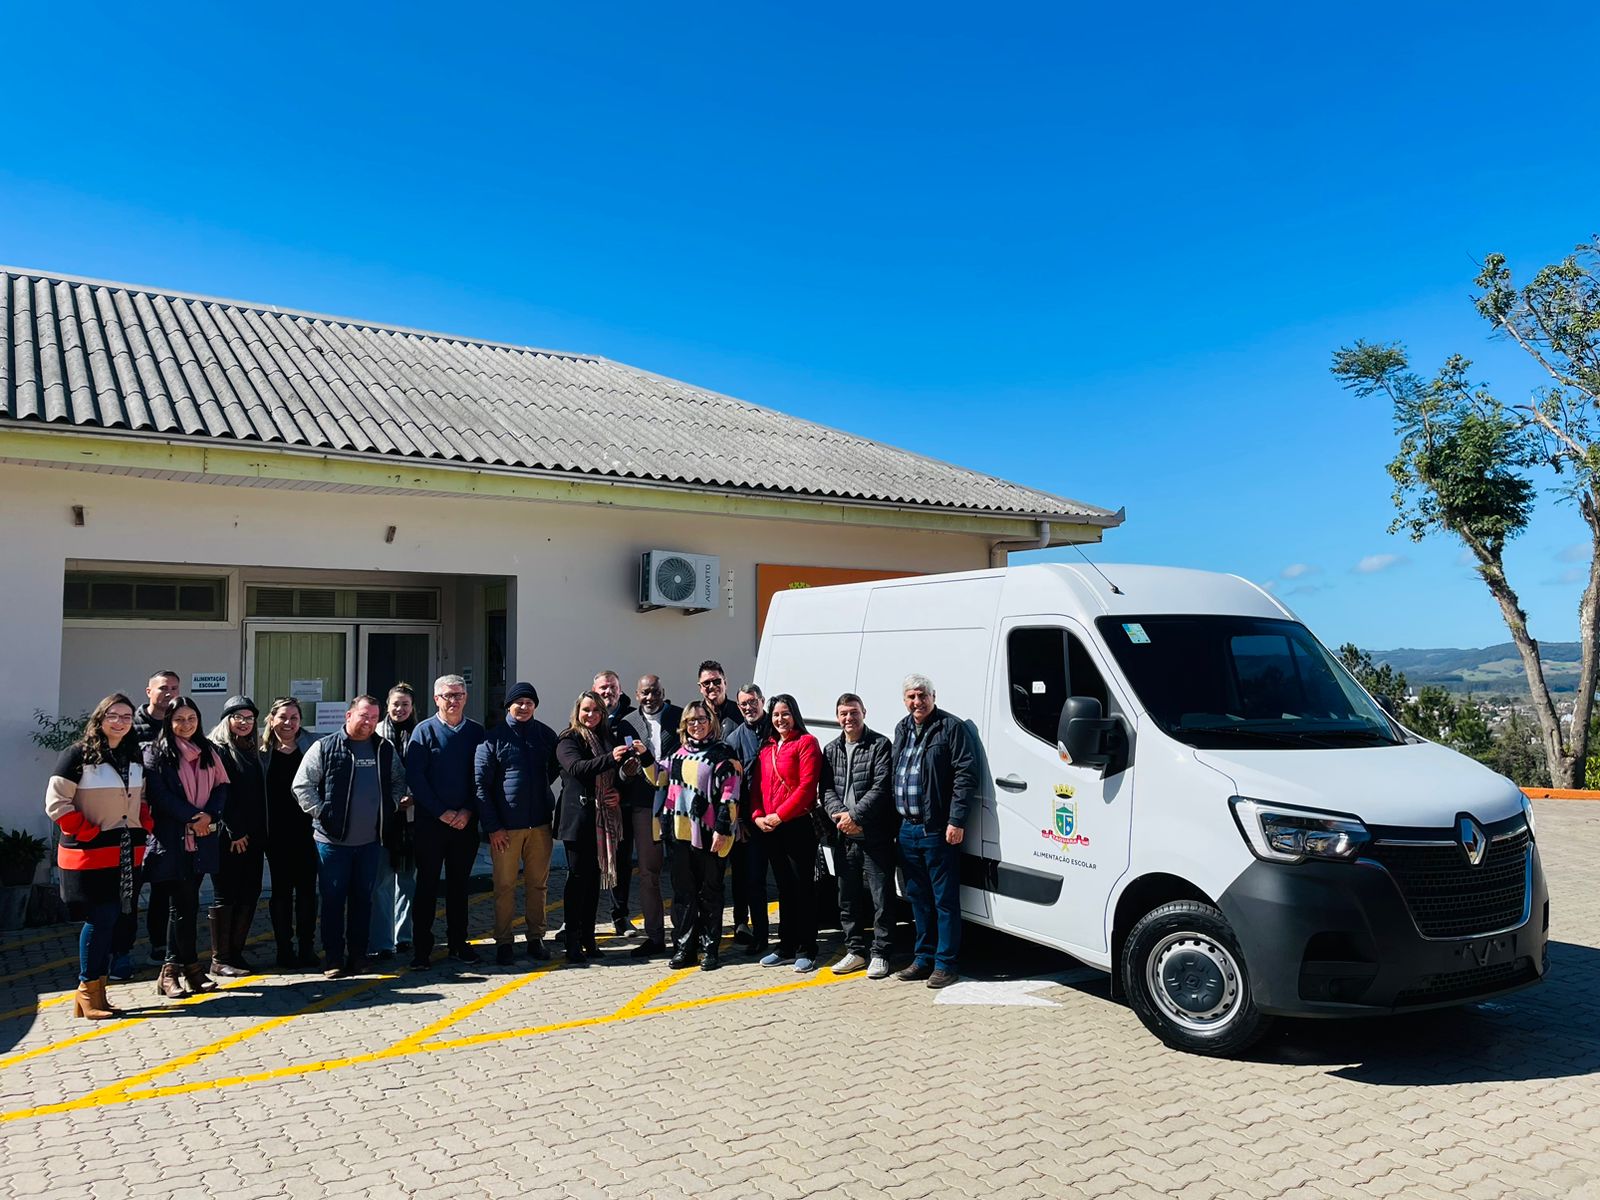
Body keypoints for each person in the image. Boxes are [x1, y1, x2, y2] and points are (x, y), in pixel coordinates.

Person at [44, 693, 152, 1020]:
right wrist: (86, 830)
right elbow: (56, 803)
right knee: (101, 918)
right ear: (100, 718)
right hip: (88, 852)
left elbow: (142, 797)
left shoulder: (133, 755)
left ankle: (96, 994)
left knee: (116, 919)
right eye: (113, 715)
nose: (120, 722)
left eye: (126, 717)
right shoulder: (76, 755)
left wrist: (145, 820)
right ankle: (86, 988)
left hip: (125, 851)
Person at [293, 695, 406, 979]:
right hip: (332, 844)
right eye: (363, 716)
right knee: (332, 901)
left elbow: (398, 781)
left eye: (373, 718)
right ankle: (333, 957)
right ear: (349, 716)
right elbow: (302, 785)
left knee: (362, 900)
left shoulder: (383, 749)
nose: (368, 723)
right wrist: (321, 813)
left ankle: (358, 956)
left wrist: (389, 806)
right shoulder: (325, 747)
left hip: (370, 843)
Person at [891, 674, 978, 989]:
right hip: (907, 829)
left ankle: (945, 963)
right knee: (918, 898)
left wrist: (956, 820)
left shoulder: (950, 728)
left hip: (936, 830)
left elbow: (965, 774)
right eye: (911, 696)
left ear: (933, 696)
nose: (917, 702)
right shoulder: (902, 728)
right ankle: (923, 957)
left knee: (944, 900)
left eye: (922, 695)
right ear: (904, 700)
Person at [143, 697, 229, 998]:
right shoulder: (156, 752)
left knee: (188, 905)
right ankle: (180, 970)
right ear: (169, 721)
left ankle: (182, 970)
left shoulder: (209, 750)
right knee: (181, 905)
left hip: (203, 838)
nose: (186, 724)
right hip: (173, 839)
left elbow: (221, 787)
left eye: (191, 718)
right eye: (179, 719)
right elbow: (159, 796)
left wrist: (210, 816)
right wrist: (193, 818)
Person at [555, 691, 648, 965]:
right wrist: (612, 758)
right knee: (578, 880)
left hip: (604, 817)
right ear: (577, 712)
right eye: (586, 710)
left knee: (595, 882)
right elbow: (577, 768)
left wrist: (622, 784)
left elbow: (616, 777)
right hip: (579, 820)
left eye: (596, 711)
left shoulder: (609, 735)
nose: (591, 715)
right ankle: (572, 941)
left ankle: (589, 939)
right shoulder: (568, 738)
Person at [404, 674, 487, 970]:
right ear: (436, 699)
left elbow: (482, 777)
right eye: (448, 695)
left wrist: (466, 811)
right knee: (426, 887)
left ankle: (458, 944)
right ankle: (422, 950)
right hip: (431, 825)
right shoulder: (423, 732)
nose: (454, 700)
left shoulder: (477, 732)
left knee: (458, 887)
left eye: (459, 695)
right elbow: (416, 778)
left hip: (465, 825)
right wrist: (442, 812)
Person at [475, 682, 559, 965]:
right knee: (505, 887)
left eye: (529, 702)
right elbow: (481, 786)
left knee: (538, 886)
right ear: (508, 705)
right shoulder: (493, 738)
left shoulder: (546, 735)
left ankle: (536, 938)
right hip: (505, 830)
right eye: (518, 702)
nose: (524, 707)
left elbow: (554, 769)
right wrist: (493, 827)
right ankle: (504, 942)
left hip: (540, 825)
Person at [821, 693, 896, 979]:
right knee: (847, 896)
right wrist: (840, 816)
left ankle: (881, 953)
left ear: (864, 712)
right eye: (843, 713)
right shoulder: (831, 749)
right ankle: (855, 950)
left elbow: (881, 787)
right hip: (843, 834)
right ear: (837, 717)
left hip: (873, 833)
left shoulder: (879, 745)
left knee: (881, 896)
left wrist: (856, 817)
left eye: (854, 712)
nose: (848, 718)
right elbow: (825, 789)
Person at [660, 701, 740, 971]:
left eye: (701, 719)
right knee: (683, 893)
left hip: (709, 834)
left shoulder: (722, 753)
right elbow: (657, 777)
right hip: (679, 834)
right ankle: (685, 947)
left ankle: (710, 948)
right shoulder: (677, 754)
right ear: (684, 724)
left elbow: (730, 794)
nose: (696, 724)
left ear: (711, 721)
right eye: (691, 720)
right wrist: (642, 757)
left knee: (710, 893)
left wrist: (722, 827)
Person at [751, 694, 824, 972]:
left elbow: (807, 787)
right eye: (776, 714)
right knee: (783, 888)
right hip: (770, 827)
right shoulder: (767, 747)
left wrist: (779, 816)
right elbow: (756, 786)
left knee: (802, 888)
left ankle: (807, 947)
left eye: (785, 714)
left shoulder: (806, 743)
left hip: (795, 826)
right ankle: (785, 946)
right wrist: (758, 816)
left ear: (794, 715)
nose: (780, 719)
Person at [206, 697, 267, 977]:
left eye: (249, 718)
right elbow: (221, 794)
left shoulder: (253, 751)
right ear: (226, 719)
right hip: (229, 837)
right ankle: (220, 958)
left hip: (255, 835)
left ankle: (237, 953)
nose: (244, 722)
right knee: (226, 895)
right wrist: (235, 830)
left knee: (250, 892)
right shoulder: (217, 750)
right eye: (237, 717)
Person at [126, 669, 180, 974]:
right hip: (133, 819)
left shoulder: (178, 725)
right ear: (149, 691)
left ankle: (159, 946)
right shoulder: (131, 727)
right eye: (163, 688)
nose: (169, 693)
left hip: (166, 820)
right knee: (129, 889)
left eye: (174, 687)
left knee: (163, 886)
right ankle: (122, 949)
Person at [262, 697, 319, 968]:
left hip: (307, 831)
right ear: (272, 719)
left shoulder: (312, 746)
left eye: (294, 718)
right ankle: (284, 948)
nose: (288, 723)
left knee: (308, 891)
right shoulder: (261, 750)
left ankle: (307, 947)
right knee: (281, 893)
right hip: (275, 833)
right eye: (283, 717)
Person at [627, 673, 678, 957]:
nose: (650, 697)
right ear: (637, 695)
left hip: (678, 804)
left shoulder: (681, 718)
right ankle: (655, 936)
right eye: (645, 693)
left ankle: (684, 933)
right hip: (644, 807)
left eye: (655, 692)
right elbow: (620, 767)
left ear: (663, 692)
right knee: (648, 873)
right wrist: (626, 772)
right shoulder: (628, 723)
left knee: (683, 873)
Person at [592, 670, 643, 938]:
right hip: (591, 806)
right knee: (588, 866)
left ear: (620, 690)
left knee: (621, 865)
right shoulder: (586, 718)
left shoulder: (632, 720)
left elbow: (636, 765)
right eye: (602, 688)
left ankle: (620, 917)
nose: (607, 692)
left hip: (621, 806)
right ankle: (578, 919)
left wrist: (621, 793)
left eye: (612, 687)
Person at [372, 685, 419, 962]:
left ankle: (404, 936)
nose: (400, 709)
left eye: (405, 705)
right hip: (383, 817)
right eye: (396, 704)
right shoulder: (376, 733)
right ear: (387, 706)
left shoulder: (421, 734)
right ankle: (383, 938)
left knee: (408, 881)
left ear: (413, 707)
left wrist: (412, 796)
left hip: (412, 818)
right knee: (382, 881)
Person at [726, 684, 772, 952]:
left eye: (753, 702)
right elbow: (733, 788)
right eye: (743, 704)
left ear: (762, 701)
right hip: (750, 823)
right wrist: (739, 821)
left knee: (785, 879)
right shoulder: (734, 739)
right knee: (753, 882)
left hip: (779, 818)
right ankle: (761, 936)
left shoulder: (776, 730)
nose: (748, 707)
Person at [696, 661, 742, 737]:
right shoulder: (694, 716)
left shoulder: (740, 712)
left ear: (725, 683)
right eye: (706, 683)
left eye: (716, 681)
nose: (712, 686)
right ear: (700, 687)